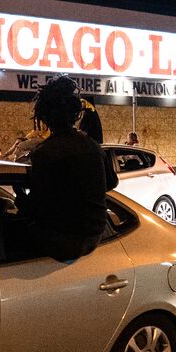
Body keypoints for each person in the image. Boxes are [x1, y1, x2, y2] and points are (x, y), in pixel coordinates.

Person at [23, 75, 109, 261]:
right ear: (75, 113)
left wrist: (21, 200)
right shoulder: (93, 146)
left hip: (63, 243)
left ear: (44, 116)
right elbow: (110, 182)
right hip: (96, 236)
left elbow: (37, 204)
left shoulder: (44, 154)